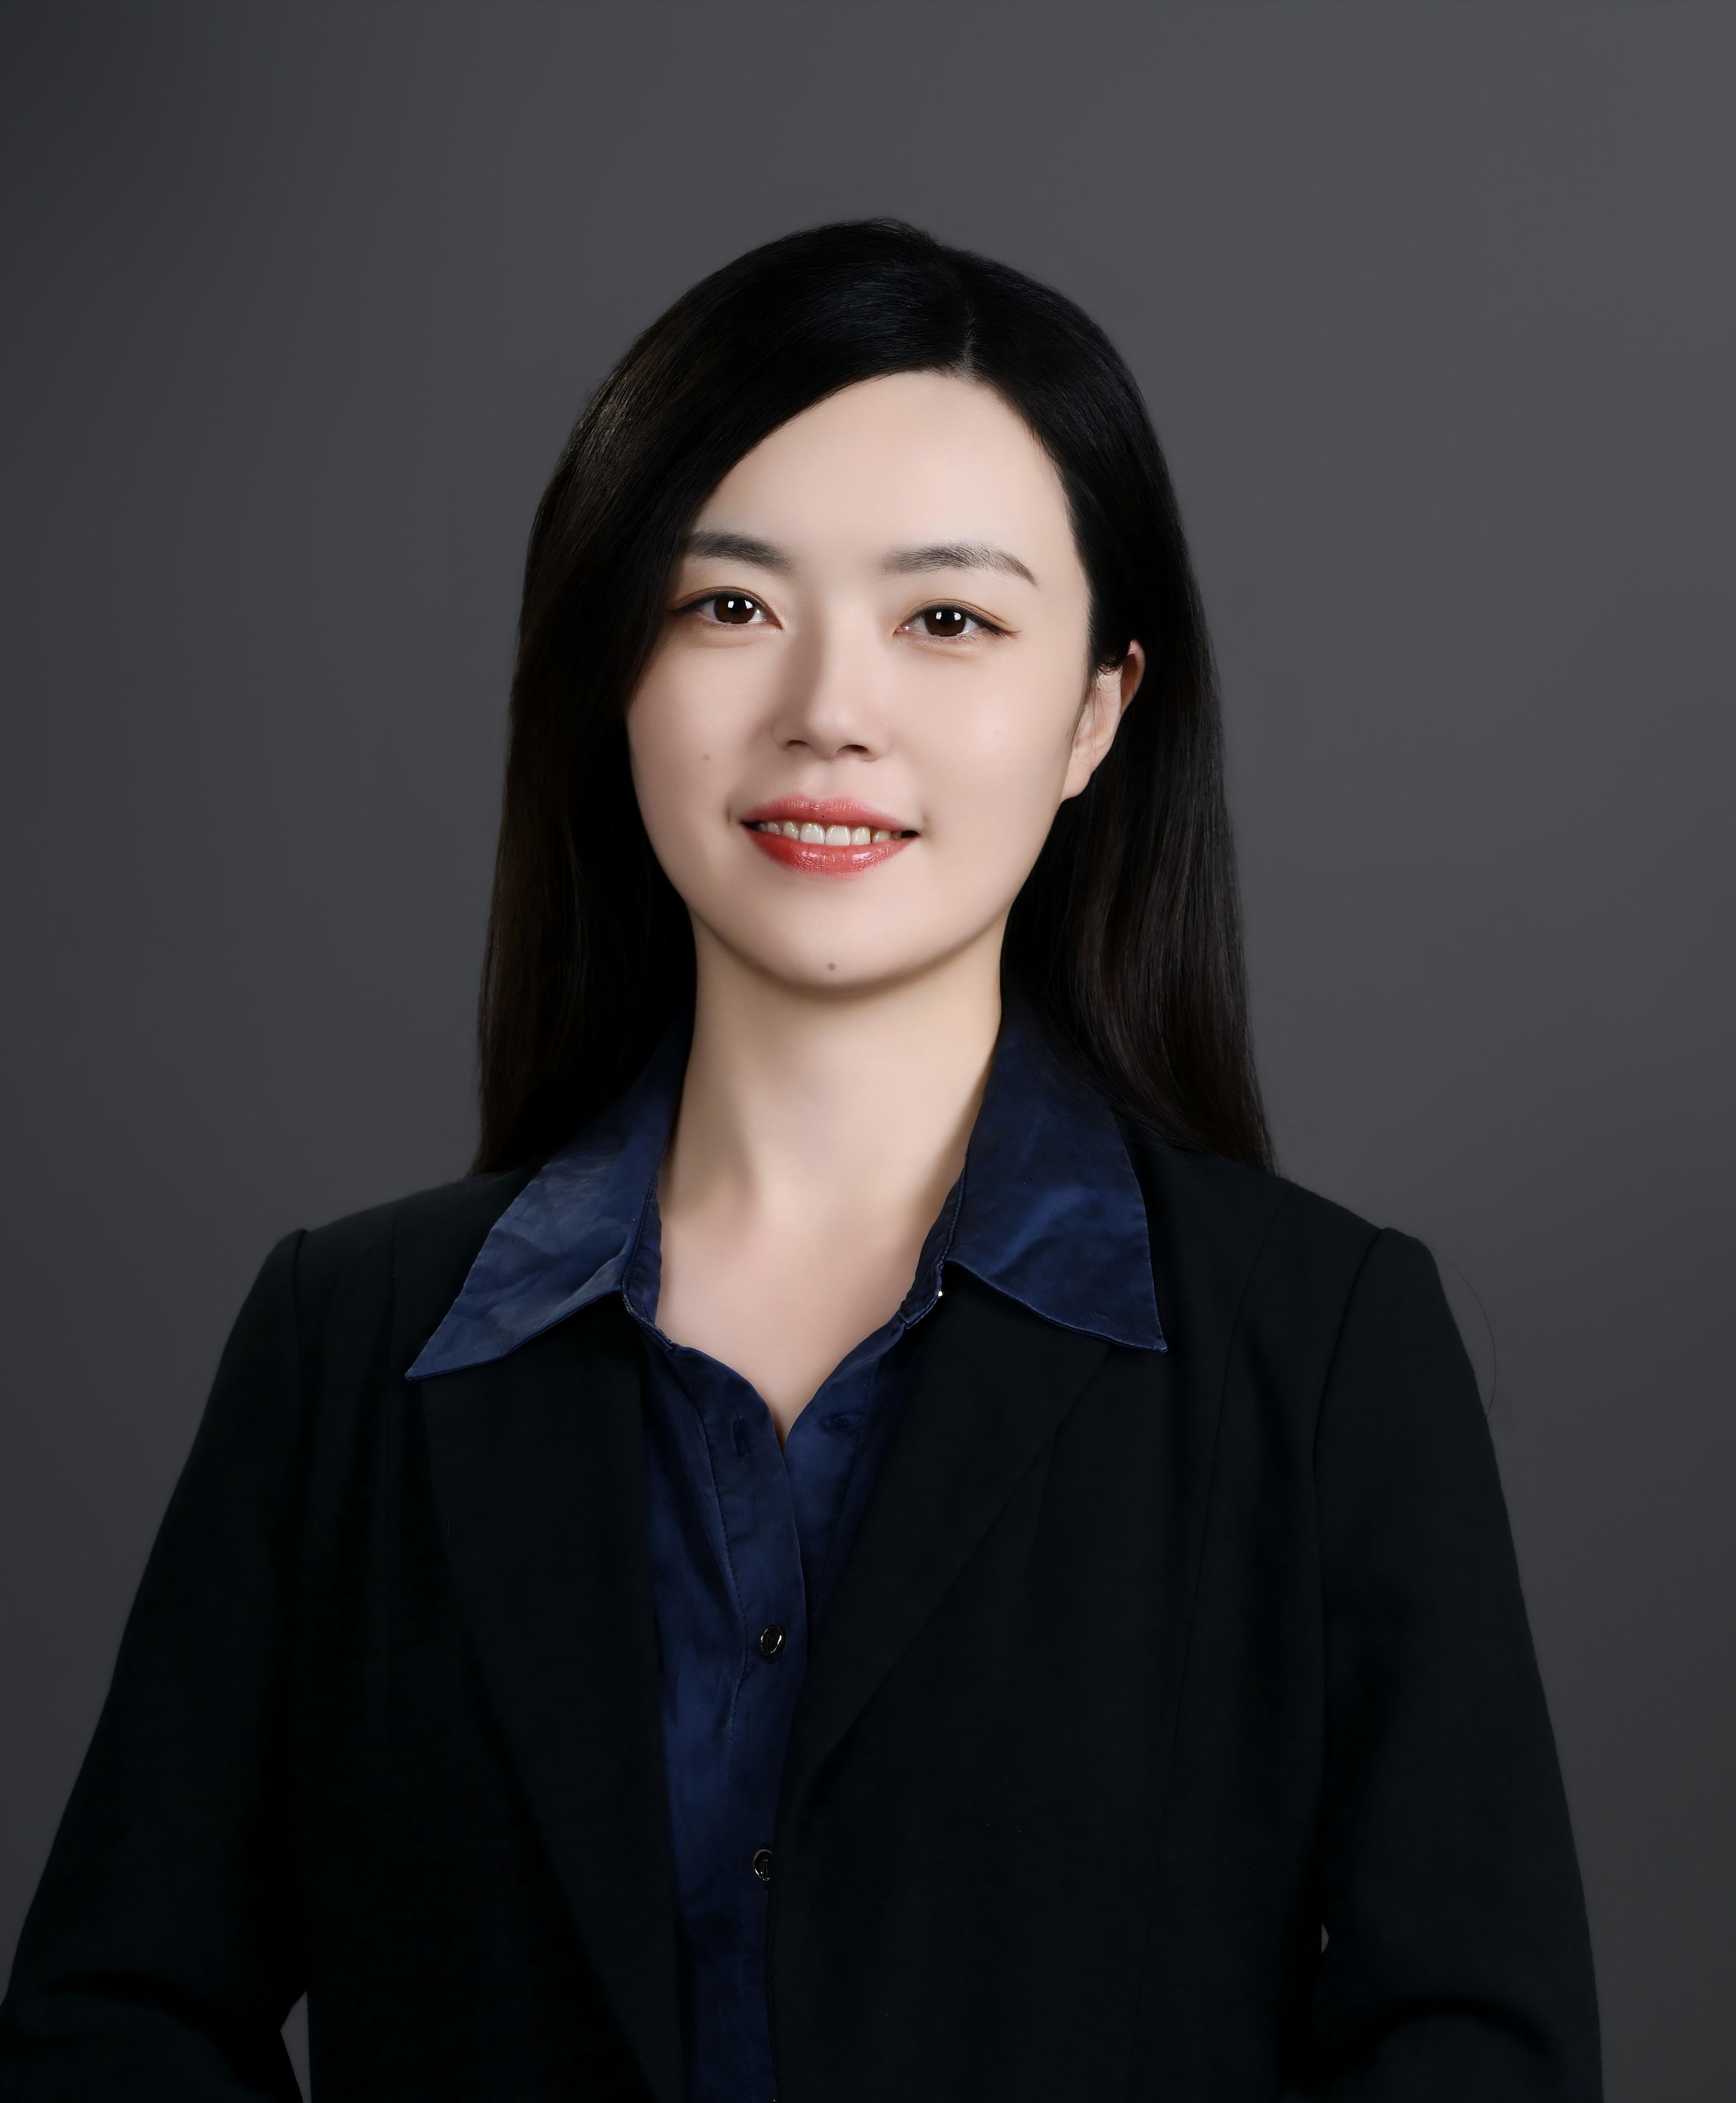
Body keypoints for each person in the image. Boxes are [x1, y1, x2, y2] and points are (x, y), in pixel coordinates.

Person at [0, 220, 1600, 2102]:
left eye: (949, 621)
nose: (829, 709)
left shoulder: (1319, 1349)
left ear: (1096, 713)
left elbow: (1476, 2050)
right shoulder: (347, 1346)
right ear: (614, 672)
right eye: (728, 607)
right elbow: (118, 2019)